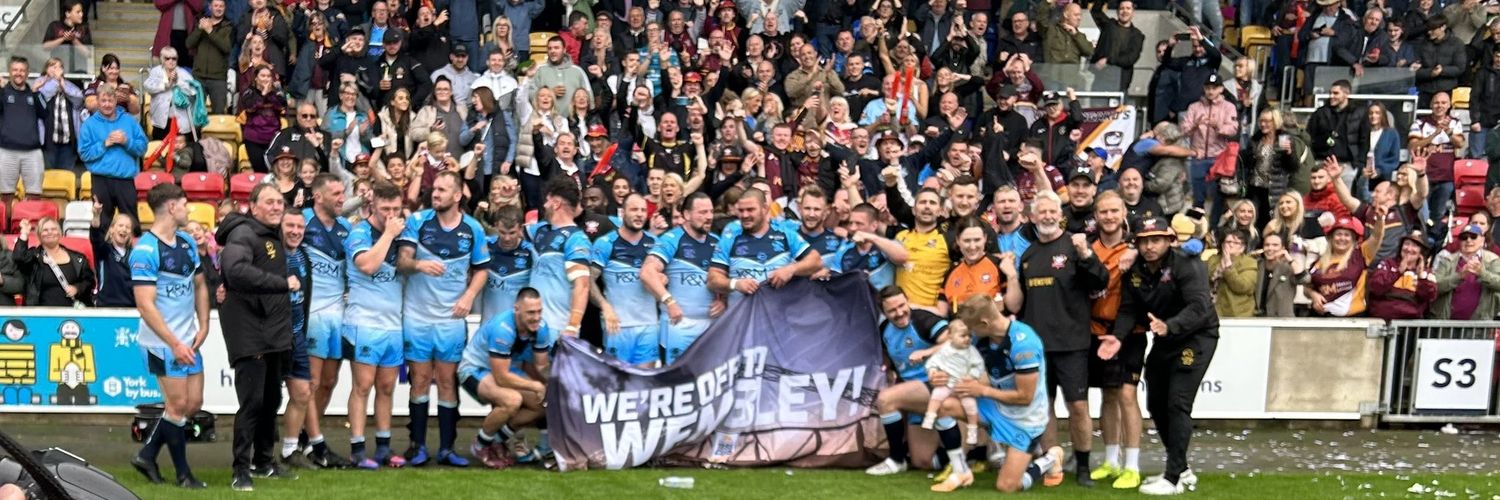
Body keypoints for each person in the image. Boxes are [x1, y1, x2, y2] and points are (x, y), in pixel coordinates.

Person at [1000, 190, 1108, 487]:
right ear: (1032, 217)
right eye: (1041, 212)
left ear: (1059, 215)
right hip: (1036, 348)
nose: (1047, 216)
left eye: (1052, 212)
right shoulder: (1029, 254)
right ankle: (1052, 463)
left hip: (1072, 344)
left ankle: (1083, 465)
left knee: (1077, 407)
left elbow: (1101, 282)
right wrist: (1009, 274)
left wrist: (1086, 254)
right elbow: (1016, 304)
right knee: (1043, 408)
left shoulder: (1075, 245)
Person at [1106, 217, 1219, 495]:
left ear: (1169, 240)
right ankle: (1181, 469)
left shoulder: (1187, 264)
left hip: (1196, 336)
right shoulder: (1135, 270)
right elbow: (1129, 309)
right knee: (1155, 403)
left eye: (1155, 240)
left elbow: (1200, 306)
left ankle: (1173, 479)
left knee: (1177, 403)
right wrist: (1117, 338)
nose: (1149, 246)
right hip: (1165, 336)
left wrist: (1170, 326)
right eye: (1144, 241)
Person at [396, 171, 489, 467]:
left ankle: (448, 448)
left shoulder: (473, 228)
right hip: (417, 316)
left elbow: (482, 269)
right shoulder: (418, 222)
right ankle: (418, 446)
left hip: (450, 319)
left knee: (448, 381)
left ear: (457, 195)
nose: (435, 193)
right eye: (434, 189)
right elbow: (402, 262)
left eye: (442, 190)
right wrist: (419, 264)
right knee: (420, 380)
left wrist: (468, 296)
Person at [935, 295, 1063, 493]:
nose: (969, 334)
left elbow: (1024, 397)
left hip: (1026, 419)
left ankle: (1049, 459)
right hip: (996, 407)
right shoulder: (981, 337)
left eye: (971, 328)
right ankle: (961, 469)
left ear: (985, 323)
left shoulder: (1023, 344)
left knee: (1007, 486)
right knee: (945, 404)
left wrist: (982, 390)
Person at [217, 184, 297, 491]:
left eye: (280, 202)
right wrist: (280, 284)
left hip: (274, 332)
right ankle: (241, 469)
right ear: (253, 206)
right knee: (251, 404)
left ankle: (264, 462)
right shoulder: (245, 234)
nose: (277, 207)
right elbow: (234, 269)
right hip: (251, 333)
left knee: (271, 401)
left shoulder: (270, 233)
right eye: (270, 202)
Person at [128, 183, 208, 490]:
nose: (189, 210)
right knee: (176, 406)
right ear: (172, 208)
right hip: (162, 343)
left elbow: (199, 285)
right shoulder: (146, 250)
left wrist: (204, 324)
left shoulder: (187, 242)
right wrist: (174, 342)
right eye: (185, 204)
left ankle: (147, 454)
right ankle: (184, 474)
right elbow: (145, 304)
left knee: (193, 403)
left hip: (188, 338)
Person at [1083, 191, 1145, 490]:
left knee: (1127, 396)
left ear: (1124, 213)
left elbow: (1173, 239)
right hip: (1097, 330)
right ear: (1096, 215)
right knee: (1108, 395)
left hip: (1130, 333)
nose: (1108, 216)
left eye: (1113, 211)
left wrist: (1134, 248)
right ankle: (1110, 460)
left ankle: (1132, 465)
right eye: (1103, 212)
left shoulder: (1137, 247)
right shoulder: (1088, 249)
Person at [343, 181, 407, 470]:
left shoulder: (403, 233)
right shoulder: (360, 232)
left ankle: (383, 446)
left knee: (386, 387)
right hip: (363, 323)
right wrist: (390, 235)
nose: (391, 214)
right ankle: (357, 448)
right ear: (373, 206)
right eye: (385, 209)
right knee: (363, 386)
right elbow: (367, 265)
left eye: (396, 209)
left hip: (393, 325)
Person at [459, 287, 552, 469]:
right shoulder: (503, 329)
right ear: (516, 309)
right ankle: (479, 446)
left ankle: (496, 440)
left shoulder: (541, 327)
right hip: (474, 369)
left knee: (543, 403)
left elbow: (542, 366)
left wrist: (556, 384)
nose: (536, 317)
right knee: (512, 400)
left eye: (539, 311)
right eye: (530, 312)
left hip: (505, 370)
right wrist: (536, 386)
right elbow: (501, 378)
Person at [865, 286, 950, 477]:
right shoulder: (884, 330)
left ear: (907, 300)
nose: (900, 312)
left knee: (886, 399)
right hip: (915, 395)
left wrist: (925, 352)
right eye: (892, 310)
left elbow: (953, 343)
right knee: (923, 461)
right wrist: (887, 369)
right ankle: (973, 453)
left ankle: (896, 459)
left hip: (938, 385)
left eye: (902, 305)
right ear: (883, 312)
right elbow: (889, 355)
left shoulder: (923, 319)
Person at [299, 174, 352, 468]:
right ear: (318, 197)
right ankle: (317, 444)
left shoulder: (346, 228)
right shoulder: (301, 221)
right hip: (311, 314)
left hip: (338, 315)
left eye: (343, 192)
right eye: (336, 193)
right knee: (312, 381)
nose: (342, 198)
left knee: (329, 382)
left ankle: (307, 435)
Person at [639, 193, 723, 364]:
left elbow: (727, 278)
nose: (708, 217)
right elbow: (647, 272)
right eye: (702, 213)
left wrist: (724, 301)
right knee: (675, 382)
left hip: (710, 327)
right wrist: (669, 301)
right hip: (678, 326)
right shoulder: (672, 239)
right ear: (686, 215)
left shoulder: (718, 242)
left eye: (711, 212)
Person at [709, 187, 824, 307]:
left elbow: (816, 261)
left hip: (779, 318)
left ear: (764, 208)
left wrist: (790, 269)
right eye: (741, 210)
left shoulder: (784, 233)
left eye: (750, 210)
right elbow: (712, 279)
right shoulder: (730, 237)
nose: (745, 215)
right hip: (742, 320)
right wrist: (735, 284)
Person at [589, 193, 658, 367]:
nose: (639, 214)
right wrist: (605, 306)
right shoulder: (605, 243)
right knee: (617, 385)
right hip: (617, 327)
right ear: (623, 213)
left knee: (644, 383)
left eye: (643, 210)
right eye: (634, 209)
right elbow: (588, 281)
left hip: (648, 325)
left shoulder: (656, 244)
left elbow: (671, 277)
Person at [528, 176, 593, 340]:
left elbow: (582, 286)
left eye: (547, 201)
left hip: (557, 328)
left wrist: (572, 326)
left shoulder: (577, 239)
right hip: (531, 325)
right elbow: (509, 234)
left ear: (556, 203)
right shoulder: (540, 230)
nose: (544, 205)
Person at [79, 82, 148, 230]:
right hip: (100, 180)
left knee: (132, 223)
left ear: (116, 101)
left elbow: (142, 147)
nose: (107, 104)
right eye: (103, 101)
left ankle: (132, 253)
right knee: (101, 224)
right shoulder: (89, 125)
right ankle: (101, 253)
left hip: (125, 180)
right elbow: (84, 154)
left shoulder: (129, 121)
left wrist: (126, 142)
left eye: (110, 100)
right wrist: (104, 144)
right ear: (97, 101)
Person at [277, 211, 315, 469]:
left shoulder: (303, 255)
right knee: (266, 399)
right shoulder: (271, 255)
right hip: (273, 337)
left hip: (297, 335)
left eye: (300, 226)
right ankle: (259, 453)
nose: (295, 231)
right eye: (289, 225)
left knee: (302, 392)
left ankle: (290, 449)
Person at [917, 320, 984, 444]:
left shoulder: (971, 351)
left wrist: (972, 376)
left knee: (970, 405)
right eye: (963, 336)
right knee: (936, 395)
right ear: (950, 336)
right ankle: (930, 416)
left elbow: (979, 365)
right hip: (947, 383)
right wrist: (932, 371)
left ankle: (972, 430)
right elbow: (933, 362)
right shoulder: (945, 349)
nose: (967, 339)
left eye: (970, 336)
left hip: (963, 385)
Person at [15, 218, 94, 307]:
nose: (50, 232)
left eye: (53, 229)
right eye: (45, 230)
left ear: (59, 233)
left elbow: (89, 281)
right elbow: (18, 258)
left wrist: (77, 288)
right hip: (40, 314)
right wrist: (24, 233)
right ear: (39, 235)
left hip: (72, 316)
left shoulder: (77, 258)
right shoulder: (33, 257)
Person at [0, 57, 47, 206]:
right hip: (6, 151)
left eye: (22, 70)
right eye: (15, 70)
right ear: (9, 72)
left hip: (32, 153)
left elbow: (46, 113)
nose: (18, 73)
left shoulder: (34, 93)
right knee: (6, 196)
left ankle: (29, 228)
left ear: (27, 73)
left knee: (34, 195)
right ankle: (5, 229)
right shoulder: (3, 92)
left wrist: (36, 93)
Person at [1431, 223, 1500, 319]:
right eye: (1464, 237)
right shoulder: (1447, 260)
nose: (1468, 240)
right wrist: (1459, 276)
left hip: (1480, 326)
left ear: (1482, 240)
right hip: (1447, 323)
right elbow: (1434, 288)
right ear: (1459, 241)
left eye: (1473, 236)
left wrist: (1482, 273)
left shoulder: (1493, 260)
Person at [478, 205, 533, 322]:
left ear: (520, 228)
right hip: (488, 325)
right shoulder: (485, 246)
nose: (507, 238)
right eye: (502, 232)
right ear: (496, 226)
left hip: (518, 326)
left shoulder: (530, 252)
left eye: (512, 233)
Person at [1368, 231, 1438, 320]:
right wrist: (1398, 272)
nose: (1409, 249)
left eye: (1415, 245)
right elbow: (1376, 287)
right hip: (1383, 322)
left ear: (1421, 251)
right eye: (1406, 244)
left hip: (1411, 325)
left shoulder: (1426, 272)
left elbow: (1430, 296)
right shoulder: (1388, 264)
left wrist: (1421, 277)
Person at [35, 57, 85, 173]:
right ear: (46, 69)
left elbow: (79, 100)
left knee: (66, 176)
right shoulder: (40, 83)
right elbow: (43, 95)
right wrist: (56, 81)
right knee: (48, 178)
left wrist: (64, 87)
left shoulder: (68, 84)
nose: (57, 70)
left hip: (68, 142)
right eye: (53, 66)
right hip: (48, 142)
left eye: (60, 67)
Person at [143, 47, 198, 140]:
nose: (171, 61)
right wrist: (166, 84)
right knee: (160, 149)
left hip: (180, 121)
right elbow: (148, 86)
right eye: (167, 58)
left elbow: (193, 91)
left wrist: (178, 82)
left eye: (174, 58)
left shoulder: (183, 73)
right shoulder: (156, 71)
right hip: (161, 121)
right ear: (162, 59)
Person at [186, 0, 231, 114]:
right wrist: (200, 29)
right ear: (210, 7)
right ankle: (197, 133)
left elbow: (226, 47)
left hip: (218, 79)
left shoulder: (229, 26)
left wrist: (210, 31)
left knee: (219, 114)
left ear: (225, 8)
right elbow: (189, 44)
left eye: (221, 6)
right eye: (216, 6)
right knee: (196, 113)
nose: (218, 8)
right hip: (199, 77)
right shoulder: (201, 23)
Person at [89, 199, 135, 307]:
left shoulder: (135, 254)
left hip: (131, 308)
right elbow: (95, 237)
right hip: (107, 308)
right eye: (120, 226)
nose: (124, 229)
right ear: (111, 230)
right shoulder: (104, 250)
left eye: (127, 227)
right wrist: (96, 216)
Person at [1207, 229, 1259, 317]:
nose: (1231, 245)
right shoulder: (1213, 259)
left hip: (1239, 314)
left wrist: (1228, 267)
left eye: (1236, 243)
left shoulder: (1249, 262)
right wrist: (1222, 263)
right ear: (1222, 244)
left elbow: (1243, 286)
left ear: (1242, 248)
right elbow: (1209, 277)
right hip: (1215, 312)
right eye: (1228, 242)